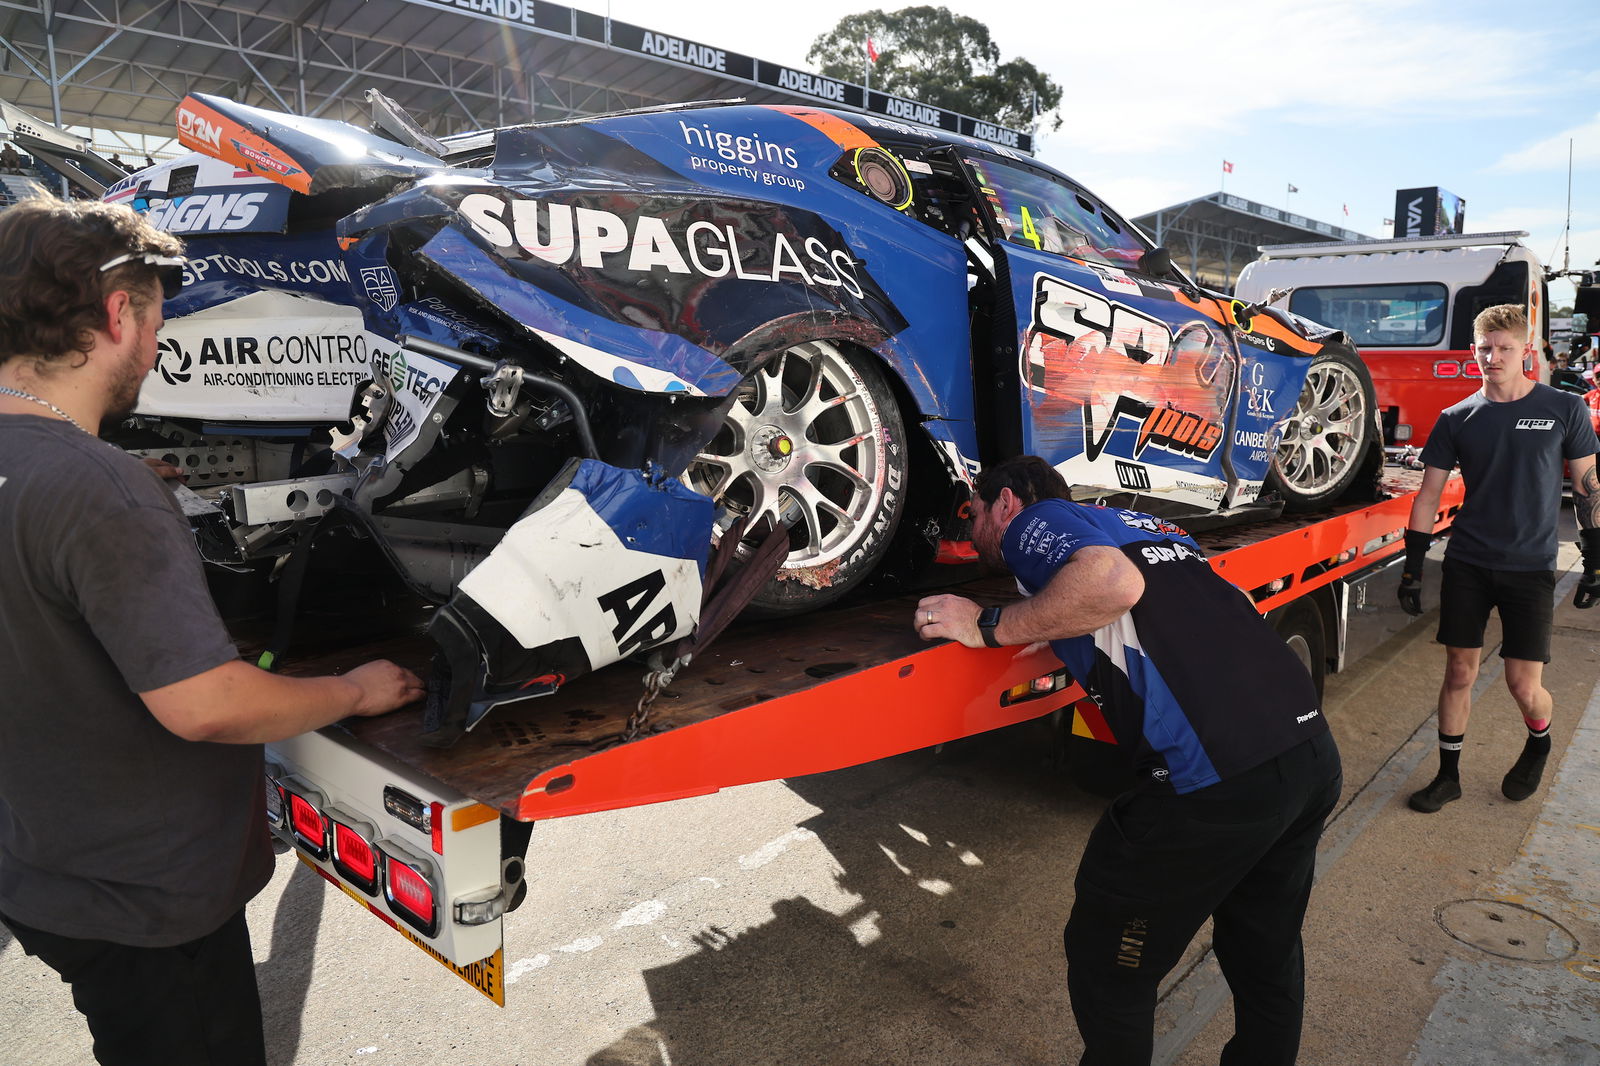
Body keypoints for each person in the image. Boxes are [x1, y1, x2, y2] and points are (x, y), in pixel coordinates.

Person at [0, 195, 426, 1066]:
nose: (155, 350)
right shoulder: (99, 490)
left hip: (41, 867)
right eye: (154, 320)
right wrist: (354, 690)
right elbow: (205, 706)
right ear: (118, 311)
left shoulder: (60, 471)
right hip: (147, 902)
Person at [915, 455, 1342, 1066]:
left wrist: (987, 624)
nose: (972, 527)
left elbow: (1113, 585)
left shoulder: (1034, 522)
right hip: (1307, 753)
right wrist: (1055, 623)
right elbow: (1202, 608)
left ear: (1006, 502)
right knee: (1265, 953)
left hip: (1213, 783)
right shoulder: (1151, 527)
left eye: (975, 512)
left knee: (1109, 966)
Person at [1398, 304, 1599, 814]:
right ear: (1474, 349)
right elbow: (1428, 496)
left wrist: (1594, 559)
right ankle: (1447, 777)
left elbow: (1588, 488)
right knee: (1459, 673)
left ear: (1526, 350)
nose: (1494, 356)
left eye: (1505, 347)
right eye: (1485, 347)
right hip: (1468, 560)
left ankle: (1539, 741)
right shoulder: (1457, 417)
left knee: (1522, 685)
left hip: (1531, 565)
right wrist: (1413, 565)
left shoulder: (1564, 408)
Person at [1583, 367, 1600, 436]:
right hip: (1594, 435)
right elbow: (1576, 400)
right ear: (1593, 379)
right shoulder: (1592, 394)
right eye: (1597, 377)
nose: (1599, 379)